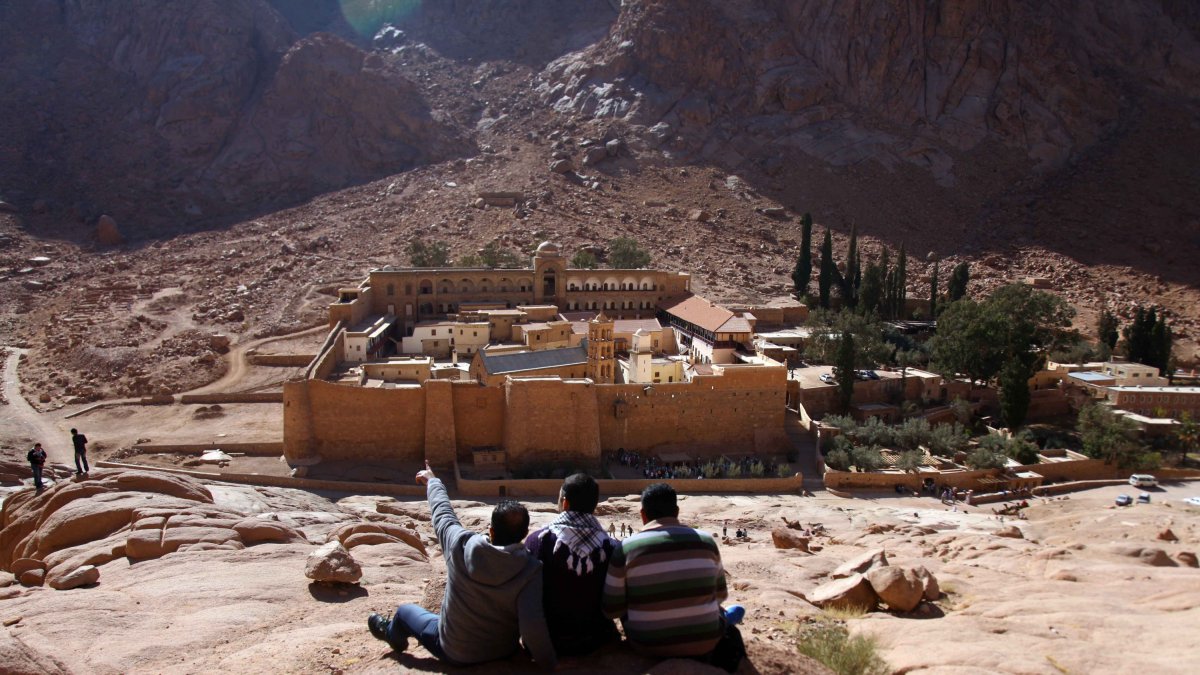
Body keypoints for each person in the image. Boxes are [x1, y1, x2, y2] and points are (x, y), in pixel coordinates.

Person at [367, 462, 556, 669]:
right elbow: (531, 623)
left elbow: (443, 514)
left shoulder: (461, 545)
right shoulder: (530, 568)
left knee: (405, 613)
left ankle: (393, 635)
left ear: (491, 531)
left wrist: (433, 481)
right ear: (524, 534)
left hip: (455, 651)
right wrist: (548, 663)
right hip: (503, 649)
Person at [603, 483, 744, 671]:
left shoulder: (625, 548)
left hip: (646, 644)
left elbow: (611, 609)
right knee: (727, 615)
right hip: (705, 642)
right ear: (677, 511)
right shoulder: (707, 542)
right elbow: (719, 596)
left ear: (643, 514)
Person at [524, 473, 619, 656]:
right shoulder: (610, 547)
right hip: (596, 640)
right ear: (595, 504)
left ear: (565, 503)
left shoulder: (538, 542)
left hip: (550, 640)